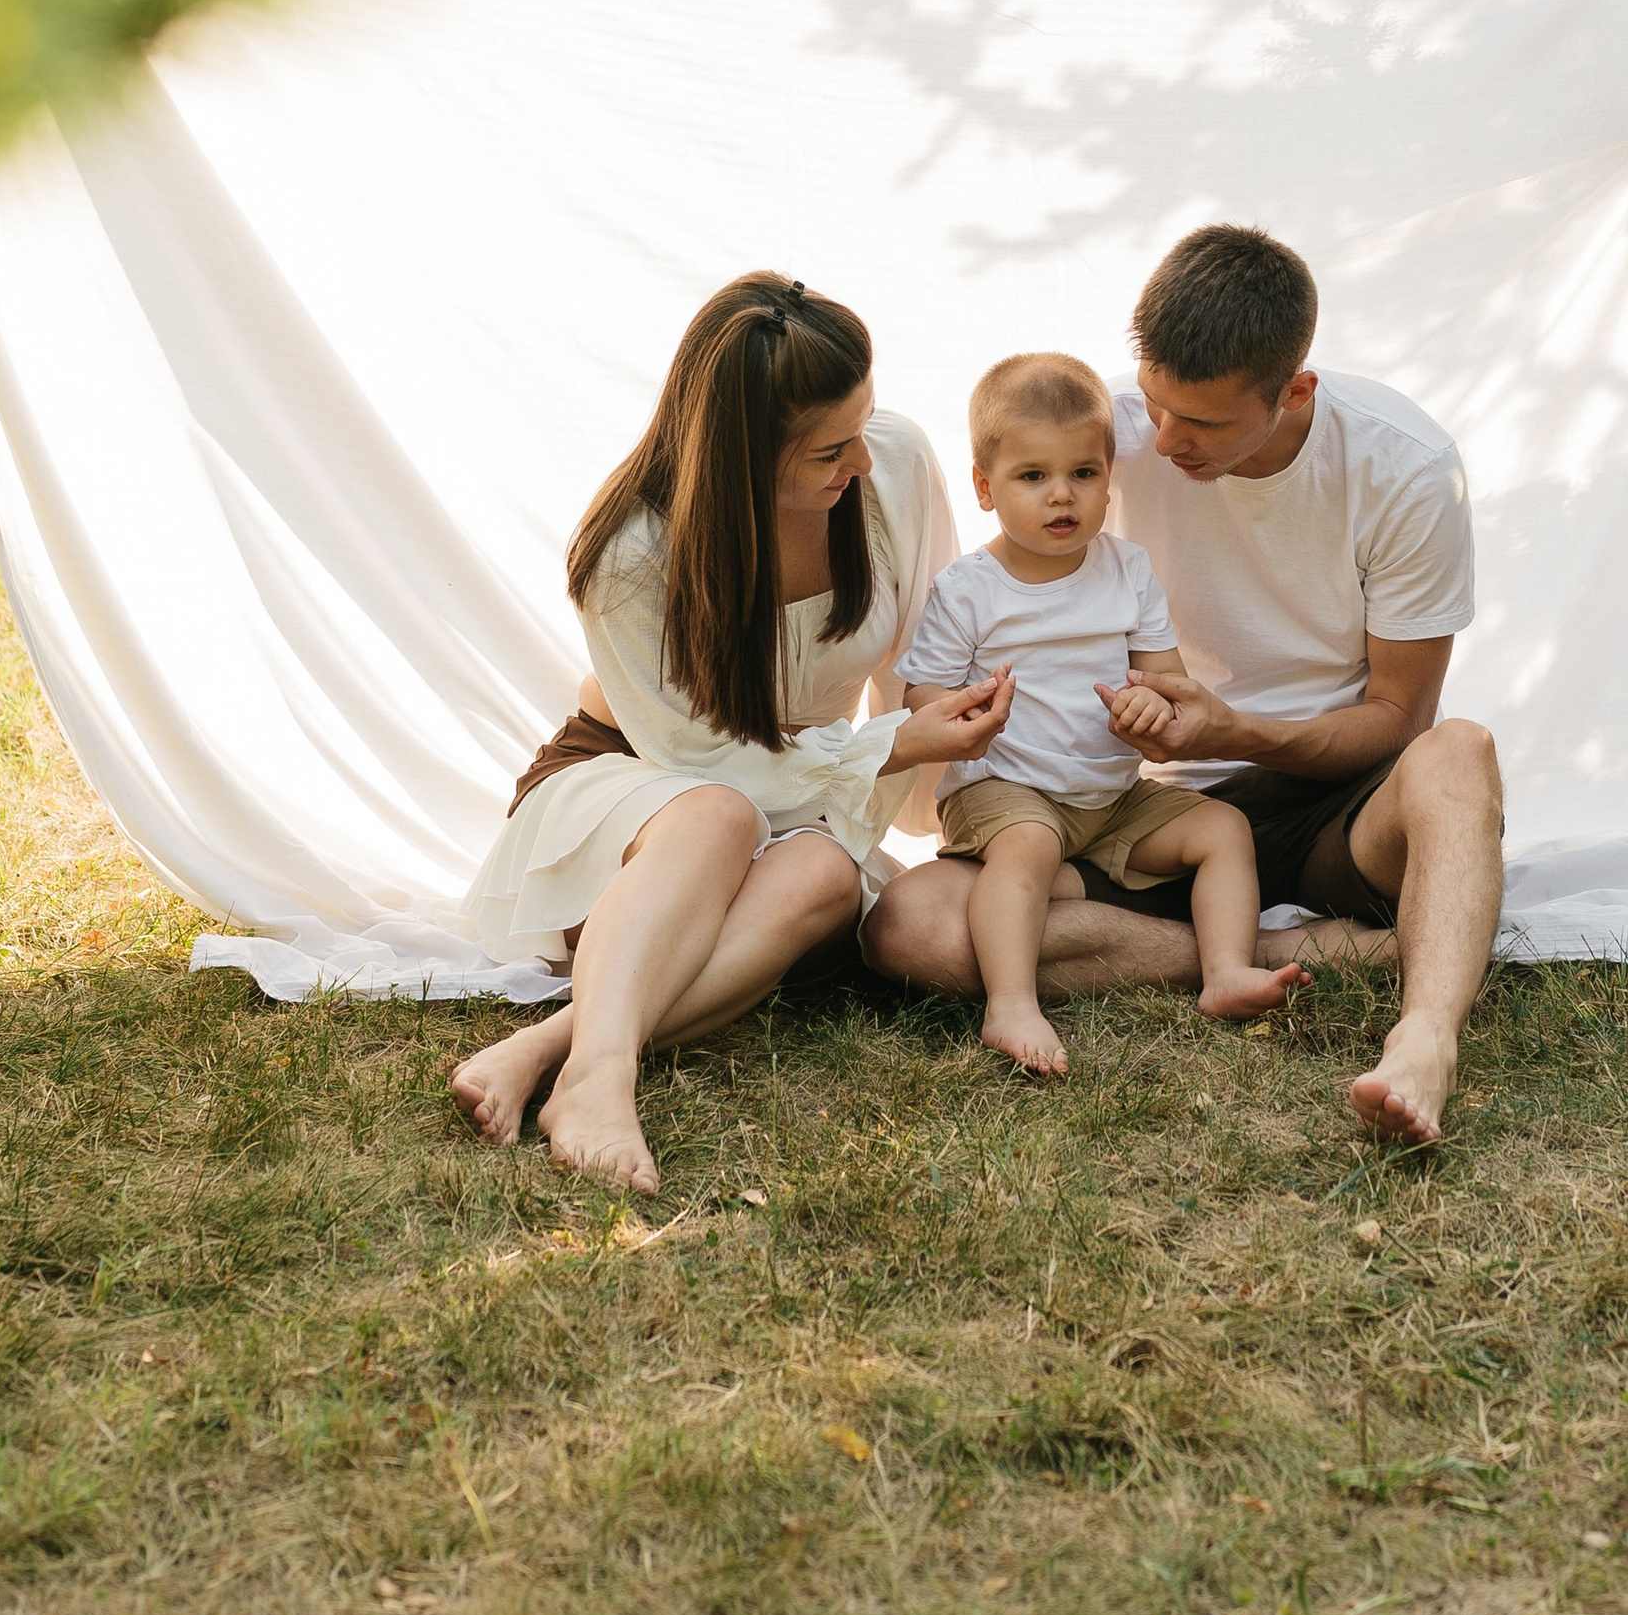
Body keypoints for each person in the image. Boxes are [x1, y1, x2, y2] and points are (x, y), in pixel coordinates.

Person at [864, 224, 1504, 1147]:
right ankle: (1284, 951)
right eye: (1155, 406)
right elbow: (1009, 477)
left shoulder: (1402, 469)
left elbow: (1400, 718)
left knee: (1463, 753)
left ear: (1295, 392)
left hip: (1327, 798)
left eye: (1200, 423)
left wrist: (1235, 732)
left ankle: (1424, 1035)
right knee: (911, 927)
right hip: (1131, 812)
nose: (1163, 442)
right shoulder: (1105, 432)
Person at [449, 272, 1011, 1192]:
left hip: (808, 793)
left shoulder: (894, 464)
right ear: (745, 457)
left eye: (863, 427)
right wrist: (892, 747)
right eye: (830, 450)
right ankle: (601, 1077)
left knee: (827, 870)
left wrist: (945, 792)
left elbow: (923, 661)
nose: (862, 462)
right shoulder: (631, 549)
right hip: (633, 788)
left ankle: (558, 1046)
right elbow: (699, 762)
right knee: (715, 816)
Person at [901, 350, 1311, 1077]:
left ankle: (1226, 971)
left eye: (1083, 474)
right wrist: (964, 715)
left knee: (1221, 826)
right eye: (1033, 477)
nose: (1062, 496)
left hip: (1113, 796)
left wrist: (1147, 707)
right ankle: (1012, 1004)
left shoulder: (1127, 569)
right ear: (984, 487)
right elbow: (922, 697)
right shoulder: (969, 588)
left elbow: (1166, 679)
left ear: (1107, 477)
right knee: (1027, 845)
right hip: (1007, 792)